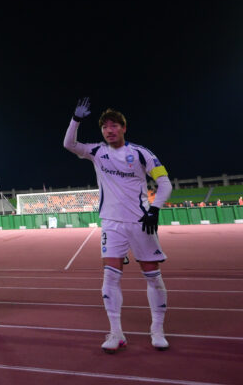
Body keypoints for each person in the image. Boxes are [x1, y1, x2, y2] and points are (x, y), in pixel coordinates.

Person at [64, 99, 172, 352]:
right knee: (110, 279)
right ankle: (116, 333)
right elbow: (69, 144)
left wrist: (155, 209)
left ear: (124, 128)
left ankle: (157, 330)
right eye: (105, 127)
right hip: (111, 224)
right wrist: (76, 120)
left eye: (114, 126)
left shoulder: (142, 153)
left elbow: (165, 183)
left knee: (153, 277)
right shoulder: (97, 152)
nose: (109, 130)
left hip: (140, 223)